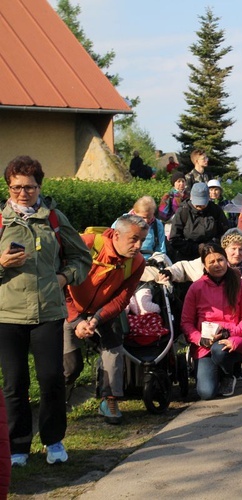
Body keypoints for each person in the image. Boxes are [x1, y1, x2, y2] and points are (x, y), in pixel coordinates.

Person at [0, 155, 92, 467]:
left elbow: (82, 257)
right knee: (15, 384)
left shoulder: (54, 219)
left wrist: (64, 277)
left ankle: (53, 440)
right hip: (7, 315)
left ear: (40, 186)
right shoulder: (0, 221)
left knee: (52, 378)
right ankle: (18, 446)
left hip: (48, 312)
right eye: (15, 188)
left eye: (29, 187)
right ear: (8, 187)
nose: (22, 193)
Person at [63, 215, 148, 425]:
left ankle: (109, 399)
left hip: (102, 312)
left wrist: (96, 319)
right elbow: (58, 283)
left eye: (142, 241)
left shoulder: (137, 263)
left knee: (114, 350)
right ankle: (57, 400)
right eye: (134, 239)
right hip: (68, 307)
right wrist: (76, 320)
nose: (138, 246)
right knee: (71, 365)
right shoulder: (87, 244)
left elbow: (121, 299)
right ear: (117, 235)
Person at [180, 243, 242, 399]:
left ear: (226, 260)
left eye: (220, 260)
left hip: (232, 340)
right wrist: (200, 339)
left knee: (218, 351)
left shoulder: (240, 284)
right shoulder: (196, 288)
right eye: (211, 262)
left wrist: (229, 333)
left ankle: (229, 373)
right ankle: (215, 371)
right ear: (205, 266)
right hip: (205, 343)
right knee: (206, 393)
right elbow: (186, 322)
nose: (217, 265)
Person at [169, 182, 230, 261]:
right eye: (197, 204)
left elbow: (224, 233)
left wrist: (211, 245)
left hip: (211, 255)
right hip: (187, 258)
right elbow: (174, 240)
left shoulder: (216, 210)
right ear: (191, 197)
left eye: (203, 203)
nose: (200, 206)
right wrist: (197, 248)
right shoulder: (182, 212)